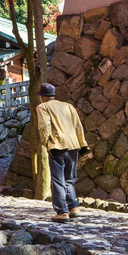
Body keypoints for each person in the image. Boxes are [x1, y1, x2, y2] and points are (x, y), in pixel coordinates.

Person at [35, 82, 89, 223]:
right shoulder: (68, 106)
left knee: (58, 179)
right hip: (73, 145)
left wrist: (46, 143)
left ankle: (62, 211)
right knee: (69, 178)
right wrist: (82, 143)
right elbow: (78, 126)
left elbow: (44, 127)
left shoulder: (43, 107)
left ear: (42, 97)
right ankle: (74, 207)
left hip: (57, 145)